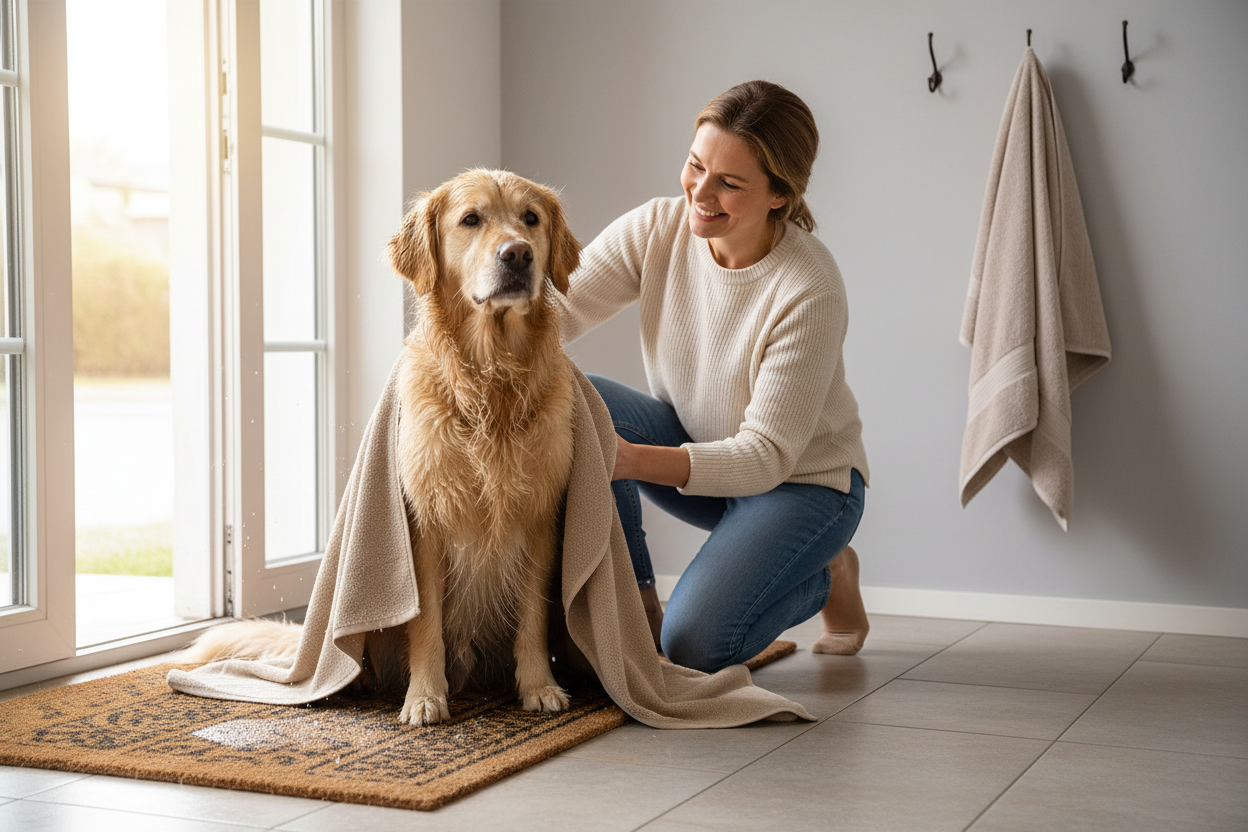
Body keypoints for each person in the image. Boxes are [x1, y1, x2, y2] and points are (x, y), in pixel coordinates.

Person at [558, 80, 869, 674]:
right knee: (578, 398)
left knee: (696, 646)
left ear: (780, 195)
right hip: (704, 458)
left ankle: (827, 572)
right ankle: (639, 607)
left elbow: (764, 459)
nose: (700, 192)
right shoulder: (657, 230)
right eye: (696, 166)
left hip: (803, 485)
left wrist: (629, 460)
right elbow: (555, 312)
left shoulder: (808, 288)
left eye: (729, 182)